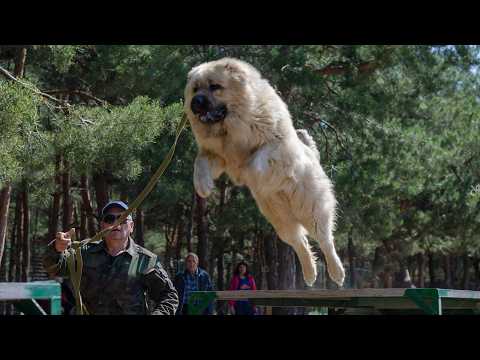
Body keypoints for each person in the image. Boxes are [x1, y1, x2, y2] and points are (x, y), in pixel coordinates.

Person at [42, 200, 179, 315]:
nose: (116, 223)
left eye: (123, 218)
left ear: (131, 226)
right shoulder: (84, 252)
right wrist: (58, 248)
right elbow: (54, 268)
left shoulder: (144, 259)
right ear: (102, 226)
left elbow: (169, 296)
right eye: (109, 219)